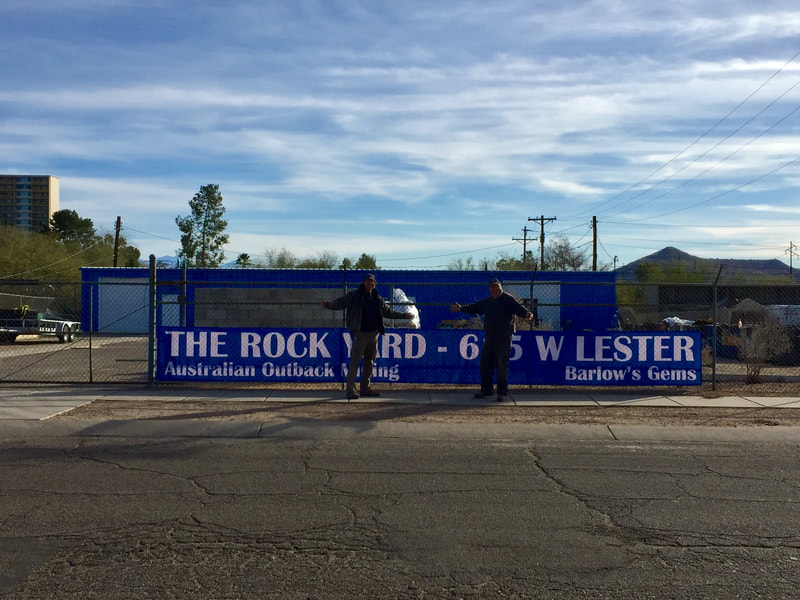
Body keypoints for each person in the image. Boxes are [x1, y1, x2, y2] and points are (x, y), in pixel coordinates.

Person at [321, 273, 414, 399]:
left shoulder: (377, 298)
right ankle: (350, 390)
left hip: (373, 334)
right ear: (364, 282)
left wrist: (403, 316)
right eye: (368, 281)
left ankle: (365, 388)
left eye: (372, 282)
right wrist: (328, 304)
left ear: (374, 284)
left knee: (369, 362)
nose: (370, 283)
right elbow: (341, 303)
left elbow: (388, 312)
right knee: (355, 361)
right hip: (360, 334)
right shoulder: (355, 295)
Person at [449, 277, 534, 402]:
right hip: (490, 337)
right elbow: (475, 307)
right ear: (489, 289)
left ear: (500, 287)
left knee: (501, 365)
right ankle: (486, 390)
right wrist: (461, 308)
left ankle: (502, 393)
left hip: (504, 337)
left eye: (496, 286)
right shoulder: (488, 302)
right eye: (492, 287)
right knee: (485, 365)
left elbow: (519, 308)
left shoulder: (508, 299)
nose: (494, 289)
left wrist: (527, 314)